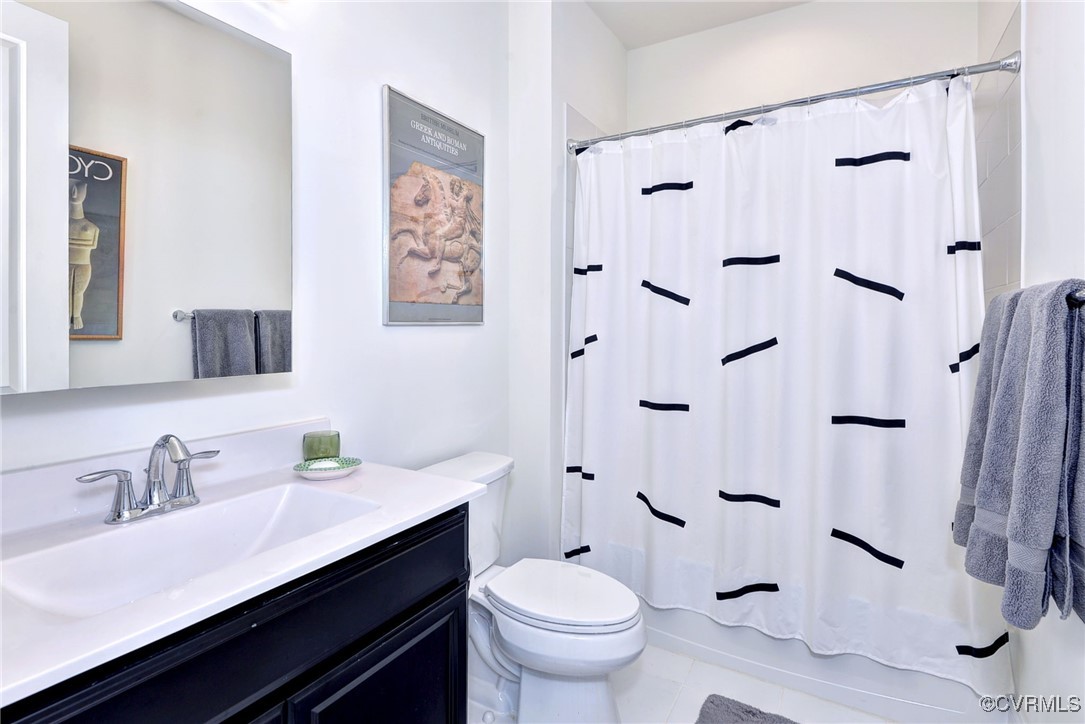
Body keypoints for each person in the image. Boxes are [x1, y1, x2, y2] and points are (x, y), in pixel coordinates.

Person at [68, 179, 99, 330]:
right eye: (73, 189)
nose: (74, 193)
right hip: (68, 263)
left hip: (83, 264)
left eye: (77, 190)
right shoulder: (64, 224)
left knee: (78, 291)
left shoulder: (92, 228)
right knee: (66, 291)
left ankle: (76, 315)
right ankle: (68, 316)